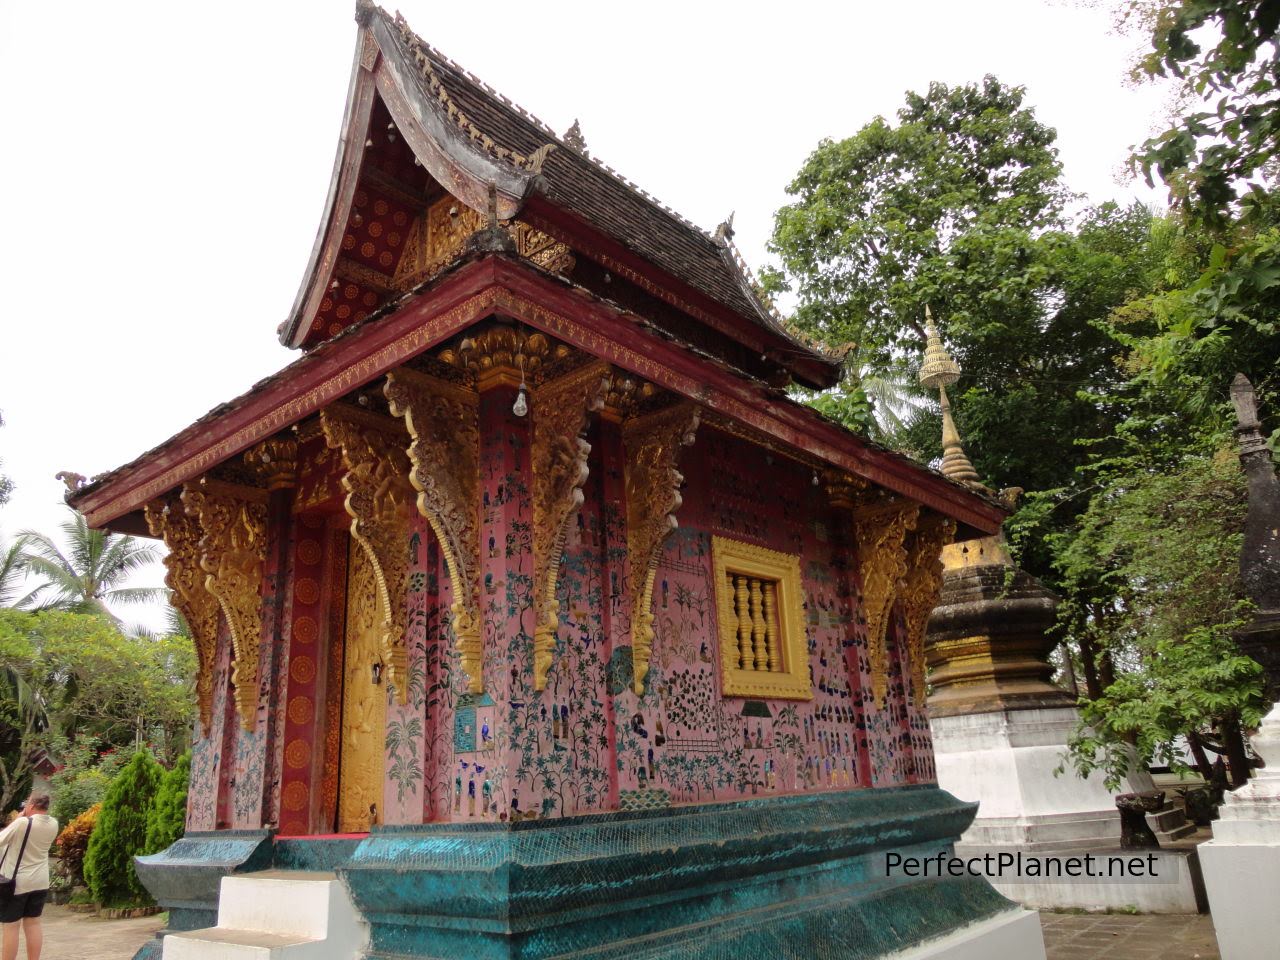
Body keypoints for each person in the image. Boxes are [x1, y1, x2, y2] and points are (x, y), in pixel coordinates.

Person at [0, 794, 58, 960]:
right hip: (40, 881)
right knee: (33, 923)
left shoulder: (23, 822)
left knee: (11, 926)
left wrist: (17, 819)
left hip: (17, 882)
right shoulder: (54, 823)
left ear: (31, 805)